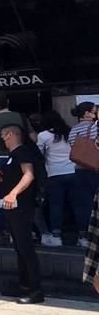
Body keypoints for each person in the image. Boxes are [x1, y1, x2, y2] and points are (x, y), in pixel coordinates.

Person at [0, 92, 35, 246]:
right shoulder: (21, 117)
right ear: (8, 101)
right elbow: (34, 138)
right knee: (22, 194)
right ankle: (20, 230)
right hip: (19, 156)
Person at [0, 125, 44, 304]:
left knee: (26, 246)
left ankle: (36, 289)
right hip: (12, 207)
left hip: (22, 206)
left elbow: (28, 175)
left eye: (3, 135)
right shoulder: (12, 156)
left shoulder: (22, 152)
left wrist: (13, 193)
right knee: (19, 246)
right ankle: (24, 284)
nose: (2, 139)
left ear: (11, 134)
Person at [37, 110, 76, 248]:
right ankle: (82, 235)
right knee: (77, 205)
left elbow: (39, 154)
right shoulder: (69, 132)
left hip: (54, 174)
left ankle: (56, 235)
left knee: (56, 205)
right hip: (72, 171)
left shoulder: (43, 135)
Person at [68, 102, 98, 249]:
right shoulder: (95, 127)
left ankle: (83, 235)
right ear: (86, 113)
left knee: (83, 204)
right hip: (95, 169)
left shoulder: (73, 130)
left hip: (79, 169)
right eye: (94, 111)